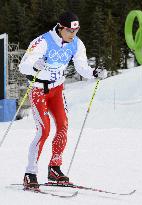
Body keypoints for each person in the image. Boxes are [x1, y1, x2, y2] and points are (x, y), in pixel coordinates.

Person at [19, 11, 107, 190]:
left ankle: (54, 169)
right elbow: (23, 66)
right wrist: (34, 65)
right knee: (44, 130)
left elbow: (82, 67)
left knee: (63, 125)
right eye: (69, 31)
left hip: (57, 90)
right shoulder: (43, 42)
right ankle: (30, 173)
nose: (73, 35)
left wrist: (93, 73)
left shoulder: (76, 43)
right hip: (38, 90)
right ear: (60, 28)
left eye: (76, 31)